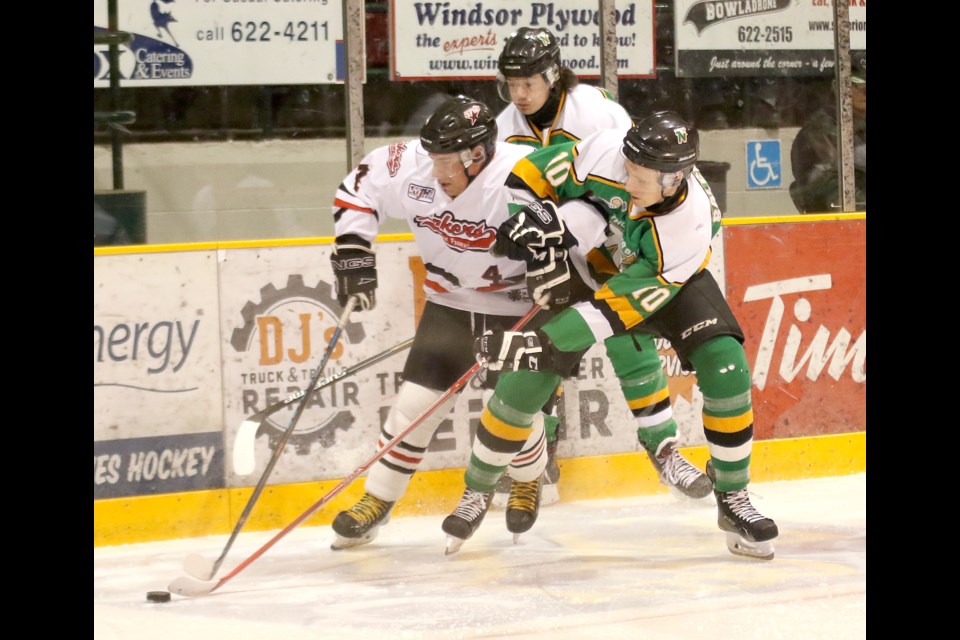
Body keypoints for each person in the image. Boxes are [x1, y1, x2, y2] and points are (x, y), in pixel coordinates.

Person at [442, 111, 779, 560]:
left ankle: (733, 496)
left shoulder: (689, 226)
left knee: (725, 363)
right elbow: (528, 173)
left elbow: (615, 309)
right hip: (588, 264)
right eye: (629, 169)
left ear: (675, 177)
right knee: (525, 383)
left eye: (642, 178)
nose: (629, 181)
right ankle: (477, 489)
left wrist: (543, 342)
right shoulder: (607, 150)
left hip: (659, 281)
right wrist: (544, 254)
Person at [327, 95, 593, 549]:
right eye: (432, 159)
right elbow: (358, 189)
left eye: (446, 161)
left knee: (508, 413)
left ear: (478, 154)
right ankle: (378, 499)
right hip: (449, 301)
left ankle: (527, 479)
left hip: (518, 308)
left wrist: (563, 264)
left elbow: (591, 206)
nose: (435, 171)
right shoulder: (411, 164)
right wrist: (353, 248)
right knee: (414, 406)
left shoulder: (525, 171)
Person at [490, 26, 710, 515]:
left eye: (529, 83)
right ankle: (538, 455)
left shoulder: (593, 109)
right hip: (561, 244)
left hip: (614, 239)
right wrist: (541, 253)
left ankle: (664, 448)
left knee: (627, 338)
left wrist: (589, 242)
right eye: (512, 84)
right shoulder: (506, 123)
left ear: (552, 75)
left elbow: (628, 180)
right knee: (544, 346)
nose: (520, 94)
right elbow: (518, 189)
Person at [788, 56, 866, 213]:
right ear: (837, 87)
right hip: (840, 227)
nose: (865, 90)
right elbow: (833, 196)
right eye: (858, 84)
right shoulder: (817, 133)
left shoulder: (860, 126)